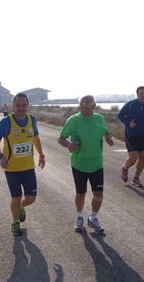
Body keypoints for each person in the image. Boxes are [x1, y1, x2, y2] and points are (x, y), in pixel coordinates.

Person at [58, 95, 114, 234]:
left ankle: (93, 218)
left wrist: (109, 138)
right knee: (81, 194)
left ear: (94, 105)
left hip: (97, 163)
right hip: (79, 164)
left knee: (98, 194)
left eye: (87, 104)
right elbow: (61, 138)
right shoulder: (73, 120)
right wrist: (69, 144)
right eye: (82, 104)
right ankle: (79, 216)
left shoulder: (99, 118)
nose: (84, 107)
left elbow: (106, 131)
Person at [0, 93, 46, 236]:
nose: (21, 108)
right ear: (13, 105)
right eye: (18, 105)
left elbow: (35, 138)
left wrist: (41, 155)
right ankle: (15, 222)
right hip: (12, 168)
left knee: (31, 198)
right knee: (15, 197)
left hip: (28, 167)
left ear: (28, 105)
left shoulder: (31, 119)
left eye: (23, 105)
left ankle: (22, 206)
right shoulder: (5, 122)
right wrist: (1, 156)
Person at [118, 86, 144, 187]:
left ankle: (136, 179)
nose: (143, 95)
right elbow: (120, 115)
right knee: (133, 158)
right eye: (141, 93)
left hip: (143, 134)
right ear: (137, 94)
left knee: (143, 157)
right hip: (131, 135)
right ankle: (125, 169)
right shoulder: (131, 104)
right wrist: (128, 123)